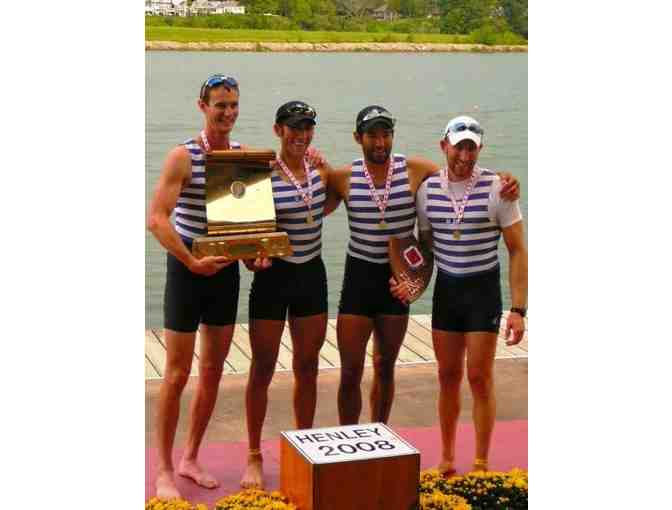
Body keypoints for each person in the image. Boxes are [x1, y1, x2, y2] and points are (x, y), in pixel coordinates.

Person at [328, 106, 521, 425]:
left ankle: (379, 435)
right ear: (357, 138)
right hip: (358, 277)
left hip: (398, 277)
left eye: (386, 134)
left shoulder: (417, 169)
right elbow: (309, 196)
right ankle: (350, 437)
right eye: (372, 135)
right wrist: (312, 161)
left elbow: (461, 172)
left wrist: (507, 182)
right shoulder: (342, 177)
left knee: (385, 364)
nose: (380, 142)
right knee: (350, 370)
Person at [392, 115, 528, 475]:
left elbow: (517, 250)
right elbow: (424, 251)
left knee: (480, 377)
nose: (465, 155)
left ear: (479, 149)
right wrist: (411, 283)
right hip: (448, 292)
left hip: (483, 290)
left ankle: (481, 463)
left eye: (472, 147)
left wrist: (518, 308)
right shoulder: (427, 190)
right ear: (444, 146)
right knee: (447, 376)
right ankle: (448, 458)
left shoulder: (500, 188)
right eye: (459, 146)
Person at [147, 74, 249, 499]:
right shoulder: (182, 156)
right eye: (219, 105)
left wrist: (255, 254)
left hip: (225, 270)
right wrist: (191, 261)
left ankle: (190, 457)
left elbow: (247, 222)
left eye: (233, 105)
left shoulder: (245, 157)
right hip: (188, 268)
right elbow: (156, 219)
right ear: (202, 106)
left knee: (211, 371)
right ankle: (165, 469)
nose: (227, 112)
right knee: (175, 374)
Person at [240, 101, 339, 489]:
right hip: (273, 278)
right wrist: (251, 259)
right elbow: (242, 229)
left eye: (307, 127)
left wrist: (326, 172)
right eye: (294, 127)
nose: (301, 135)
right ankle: (253, 455)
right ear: (278, 130)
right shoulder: (260, 173)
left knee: (308, 366)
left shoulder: (320, 168)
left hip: (311, 275)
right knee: (262, 368)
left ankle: (304, 446)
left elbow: (328, 203)